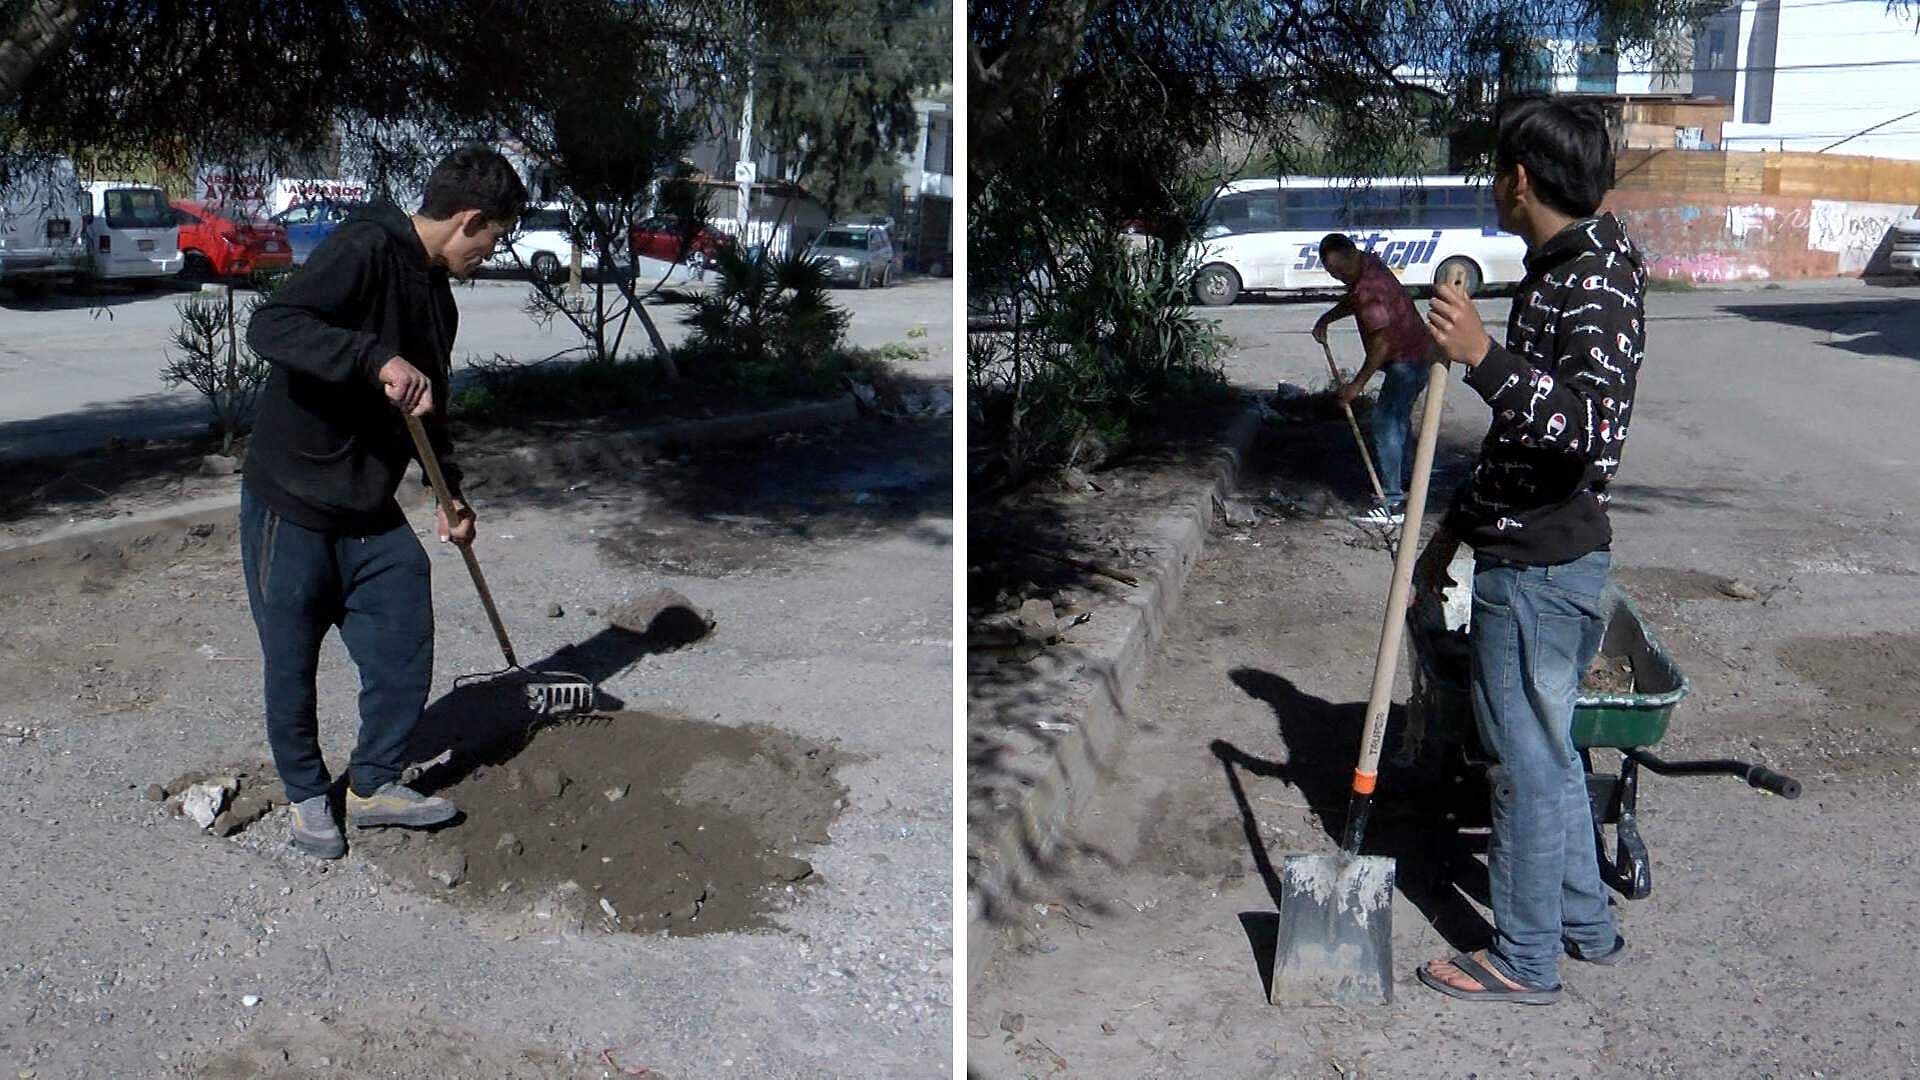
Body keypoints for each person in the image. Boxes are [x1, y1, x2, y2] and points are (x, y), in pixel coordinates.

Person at [1413, 94, 1646, 1003]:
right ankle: (1586, 925)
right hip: (1531, 550)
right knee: (1549, 752)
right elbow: (1520, 444)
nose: (1491, 185)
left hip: (1542, 569)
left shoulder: (1591, 281)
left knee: (1523, 762)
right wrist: (1455, 528)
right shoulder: (1568, 269)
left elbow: (1585, 434)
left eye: (1493, 170)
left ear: (1518, 179)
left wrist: (1482, 358)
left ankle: (1522, 959)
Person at [240, 146, 528, 859]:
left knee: (403, 625)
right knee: (291, 657)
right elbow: (272, 326)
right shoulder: (364, 247)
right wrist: (374, 359)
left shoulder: (439, 301)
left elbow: (431, 412)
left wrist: (449, 494)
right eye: (494, 238)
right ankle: (307, 794)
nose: (491, 254)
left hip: (366, 505)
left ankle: (372, 783)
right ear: (468, 219)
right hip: (293, 495)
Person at [1311, 231, 1433, 527]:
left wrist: (1356, 386)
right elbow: (1353, 301)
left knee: (1385, 421)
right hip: (1416, 354)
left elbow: (1382, 344)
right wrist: (1327, 318)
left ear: (1351, 255)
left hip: (1407, 360)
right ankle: (1405, 481)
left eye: (1339, 270)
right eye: (1332, 273)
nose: (1338, 277)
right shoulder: (1367, 267)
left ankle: (1391, 502)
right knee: (1398, 420)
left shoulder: (1369, 287)